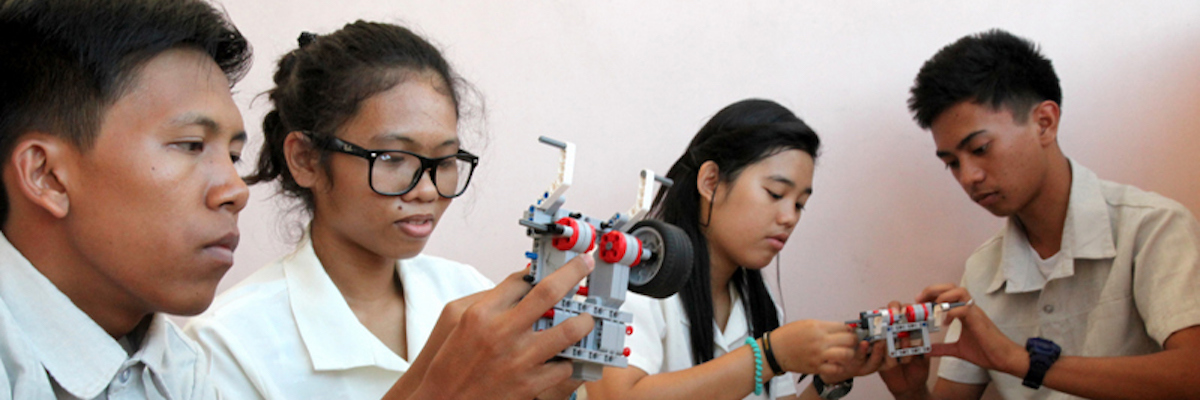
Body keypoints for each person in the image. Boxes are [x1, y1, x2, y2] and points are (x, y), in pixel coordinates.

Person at [184, 21, 591, 400]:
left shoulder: (469, 293)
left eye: (445, 161)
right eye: (394, 158)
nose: (428, 189)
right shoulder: (227, 347)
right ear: (306, 159)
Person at [879, 29, 1200, 400]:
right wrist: (913, 391)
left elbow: (1193, 372)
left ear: (1044, 122)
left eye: (980, 148)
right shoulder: (983, 270)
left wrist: (1019, 360)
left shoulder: (1152, 227)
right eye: (951, 163)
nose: (968, 177)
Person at [0, 0, 251, 397]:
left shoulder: (178, 368)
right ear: (47, 176)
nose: (236, 190)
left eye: (233, 156)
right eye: (190, 145)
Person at [587, 99, 885, 400]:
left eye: (799, 205)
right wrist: (770, 356)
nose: (789, 217)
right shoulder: (634, 270)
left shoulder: (759, 303)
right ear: (711, 182)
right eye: (775, 193)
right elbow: (617, 396)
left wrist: (828, 381)